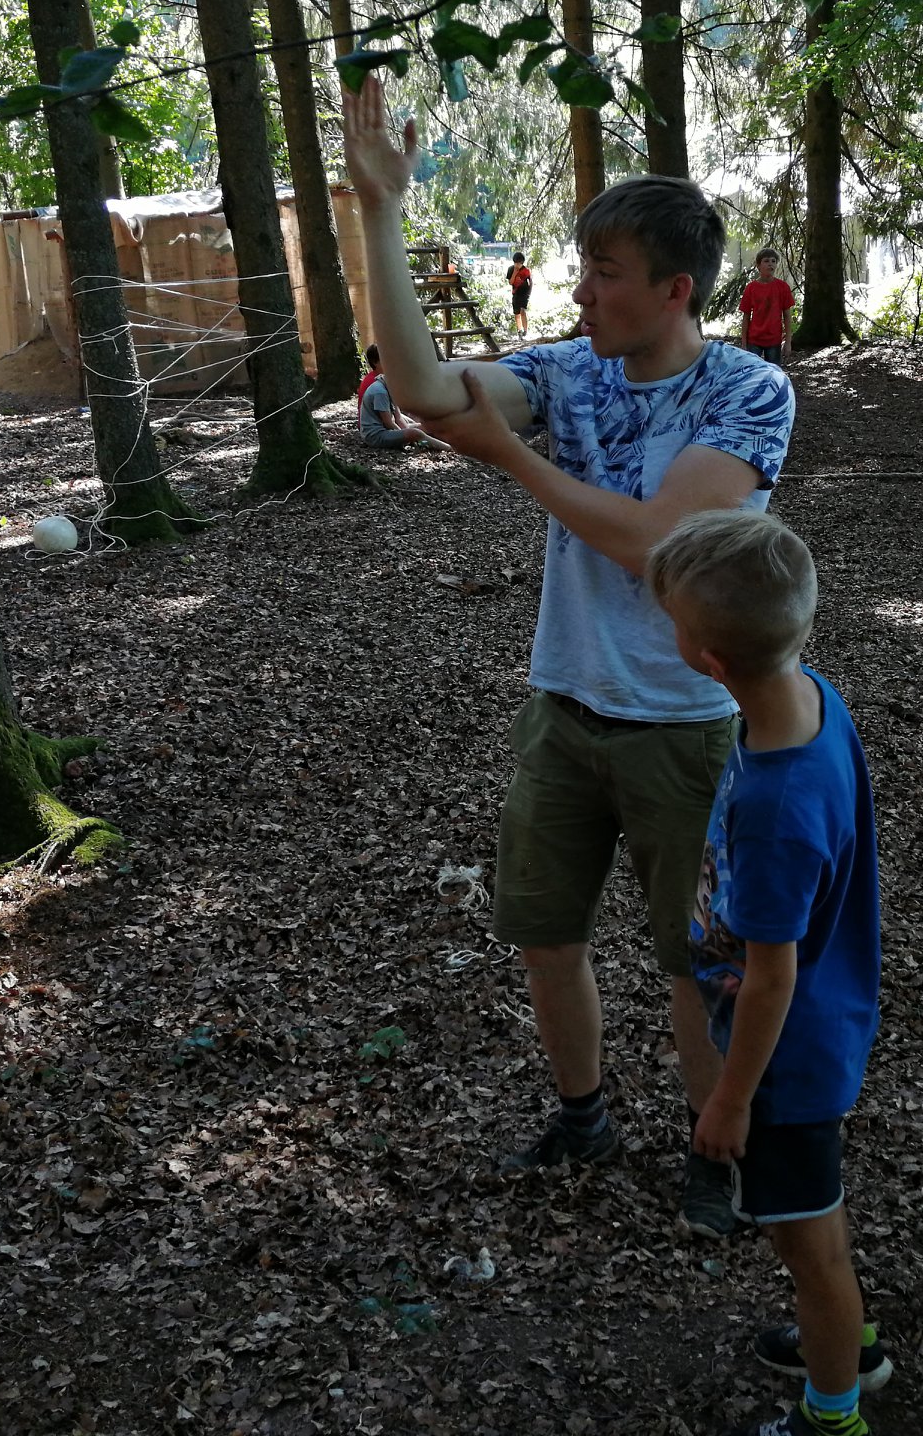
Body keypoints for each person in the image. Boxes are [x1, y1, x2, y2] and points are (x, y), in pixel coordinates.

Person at [341, 74, 795, 1235]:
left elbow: (661, 544)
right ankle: (583, 1113)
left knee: (697, 965)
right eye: (580, 269)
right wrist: (380, 214)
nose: (581, 290)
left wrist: (513, 465)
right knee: (546, 934)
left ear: (673, 290)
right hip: (566, 704)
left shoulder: (746, 389)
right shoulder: (565, 369)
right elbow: (425, 387)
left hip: (686, 723)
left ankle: (716, 1152)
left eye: (604, 273)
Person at [648, 508, 888, 1436]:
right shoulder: (809, 696)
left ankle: (833, 1413)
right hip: (815, 1029)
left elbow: (772, 977)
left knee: (808, 1244)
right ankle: (850, 1343)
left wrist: (730, 1099)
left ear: (705, 656)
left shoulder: (778, 803)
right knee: (815, 1223)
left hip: (786, 1064)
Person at [356, 344, 432, 451]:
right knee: (414, 424)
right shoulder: (376, 384)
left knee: (420, 422)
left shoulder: (387, 379)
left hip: (387, 416)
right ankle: (442, 445)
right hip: (378, 425)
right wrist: (403, 434)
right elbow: (387, 421)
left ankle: (432, 437)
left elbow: (397, 414)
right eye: (386, 360)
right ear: (375, 362)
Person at [739, 249, 795, 366]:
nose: (770, 264)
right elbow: (746, 316)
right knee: (752, 371)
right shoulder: (751, 288)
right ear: (758, 266)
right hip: (754, 339)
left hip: (774, 339)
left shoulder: (783, 287)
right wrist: (744, 343)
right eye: (766, 261)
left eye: (773, 261)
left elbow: (787, 315)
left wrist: (788, 341)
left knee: (774, 373)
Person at [506, 249, 533, 337]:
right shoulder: (510, 269)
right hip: (516, 293)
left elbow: (530, 282)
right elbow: (510, 282)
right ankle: (519, 330)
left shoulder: (526, 271)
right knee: (516, 313)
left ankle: (525, 330)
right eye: (516, 263)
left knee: (523, 311)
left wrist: (529, 293)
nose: (517, 265)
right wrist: (515, 272)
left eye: (519, 263)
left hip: (524, 294)